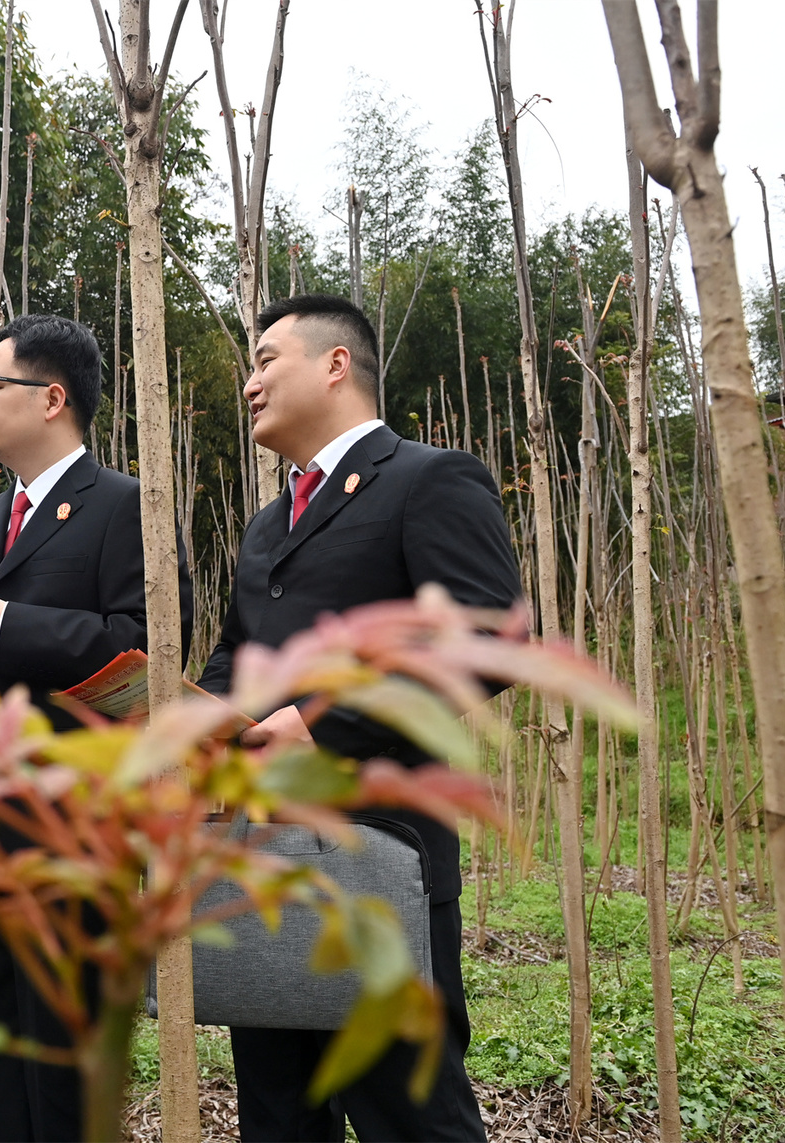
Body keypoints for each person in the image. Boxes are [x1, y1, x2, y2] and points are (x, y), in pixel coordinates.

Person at [197, 294, 519, 1142]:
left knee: (412, 1116)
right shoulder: (267, 524)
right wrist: (199, 720)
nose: (250, 383)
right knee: (277, 1116)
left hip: (380, 858)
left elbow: (490, 637)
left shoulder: (427, 478)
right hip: (264, 866)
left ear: (335, 364)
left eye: (266, 360)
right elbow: (238, 655)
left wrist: (318, 723)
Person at [0, 313, 194, 1142]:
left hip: (77, 824)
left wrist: (10, 625)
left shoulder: (127, 508)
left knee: (64, 1052)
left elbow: (148, 647)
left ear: (52, 398)